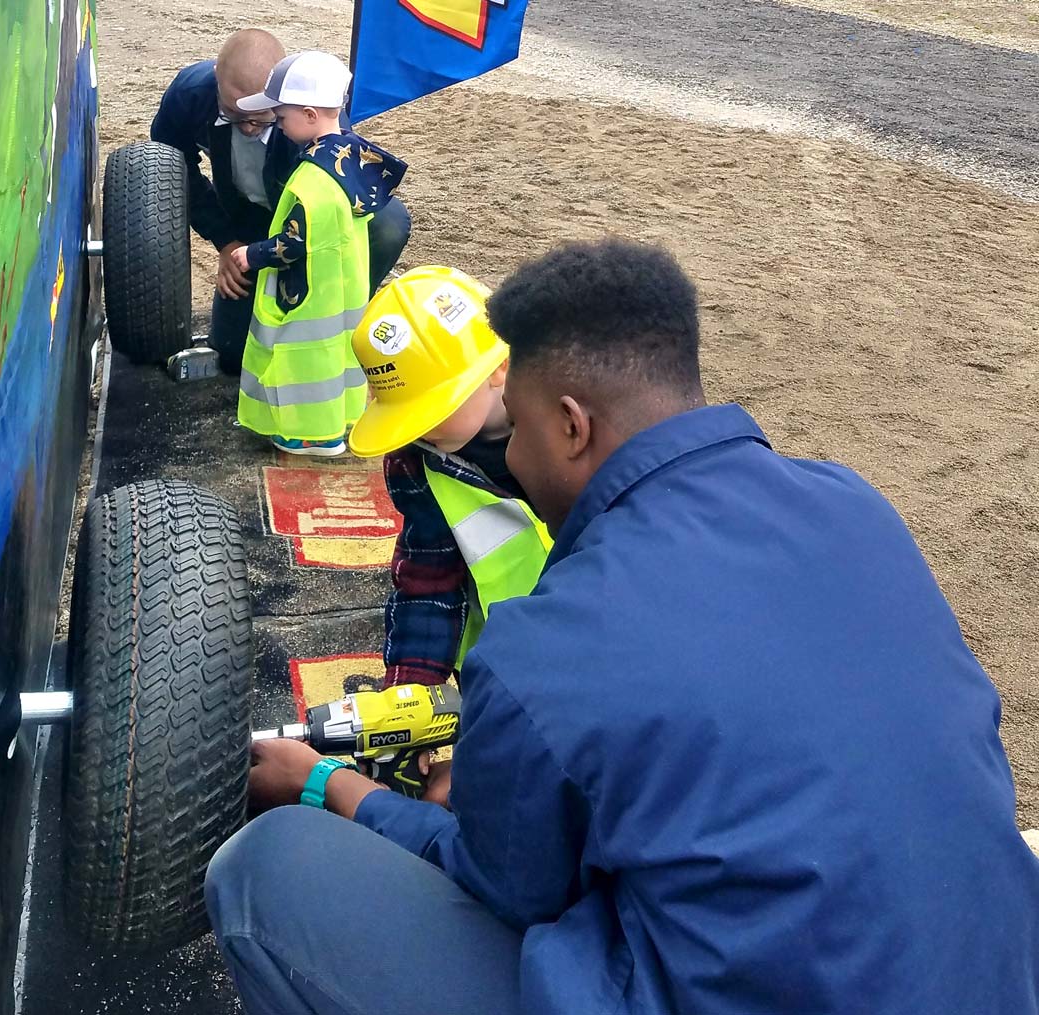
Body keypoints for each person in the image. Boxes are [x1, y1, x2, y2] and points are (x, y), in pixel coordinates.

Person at [205, 239, 1039, 1014]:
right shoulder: (853, 504)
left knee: (266, 871)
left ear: (571, 425)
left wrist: (327, 786)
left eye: (523, 429)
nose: (515, 463)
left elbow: (497, 879)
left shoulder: (547, 650)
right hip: (991, 974)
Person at [150, 30, 411, 374]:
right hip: (246, 222)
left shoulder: (315, 121)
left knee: (389, 224)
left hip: (306, 224)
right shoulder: (189, 95)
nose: (246, 128)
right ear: (216, 77)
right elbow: (174, 169)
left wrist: (290, 271)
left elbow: (325, 215)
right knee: (235, 356)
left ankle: (344, 314)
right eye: (233, 114)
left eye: (262, 118)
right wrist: (226, 241)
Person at [346, 266, 551, 687]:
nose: (419, 429)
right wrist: (412, 688)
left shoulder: (568, 429)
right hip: (502, 660)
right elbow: (427, 582)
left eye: (431, 408)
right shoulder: (416, 462)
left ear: (498, 368)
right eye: (404, 412)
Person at [230, 51, 406, 455]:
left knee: (304, 363)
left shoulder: (315, 179)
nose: (277, 125)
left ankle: (310, 435)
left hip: (310, 293)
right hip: (341, 286)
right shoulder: (351, 162)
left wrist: (252, 255)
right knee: (338, 363)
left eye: (281, 118)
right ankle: (341, 421)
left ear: (309, 115)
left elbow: (295, 242)